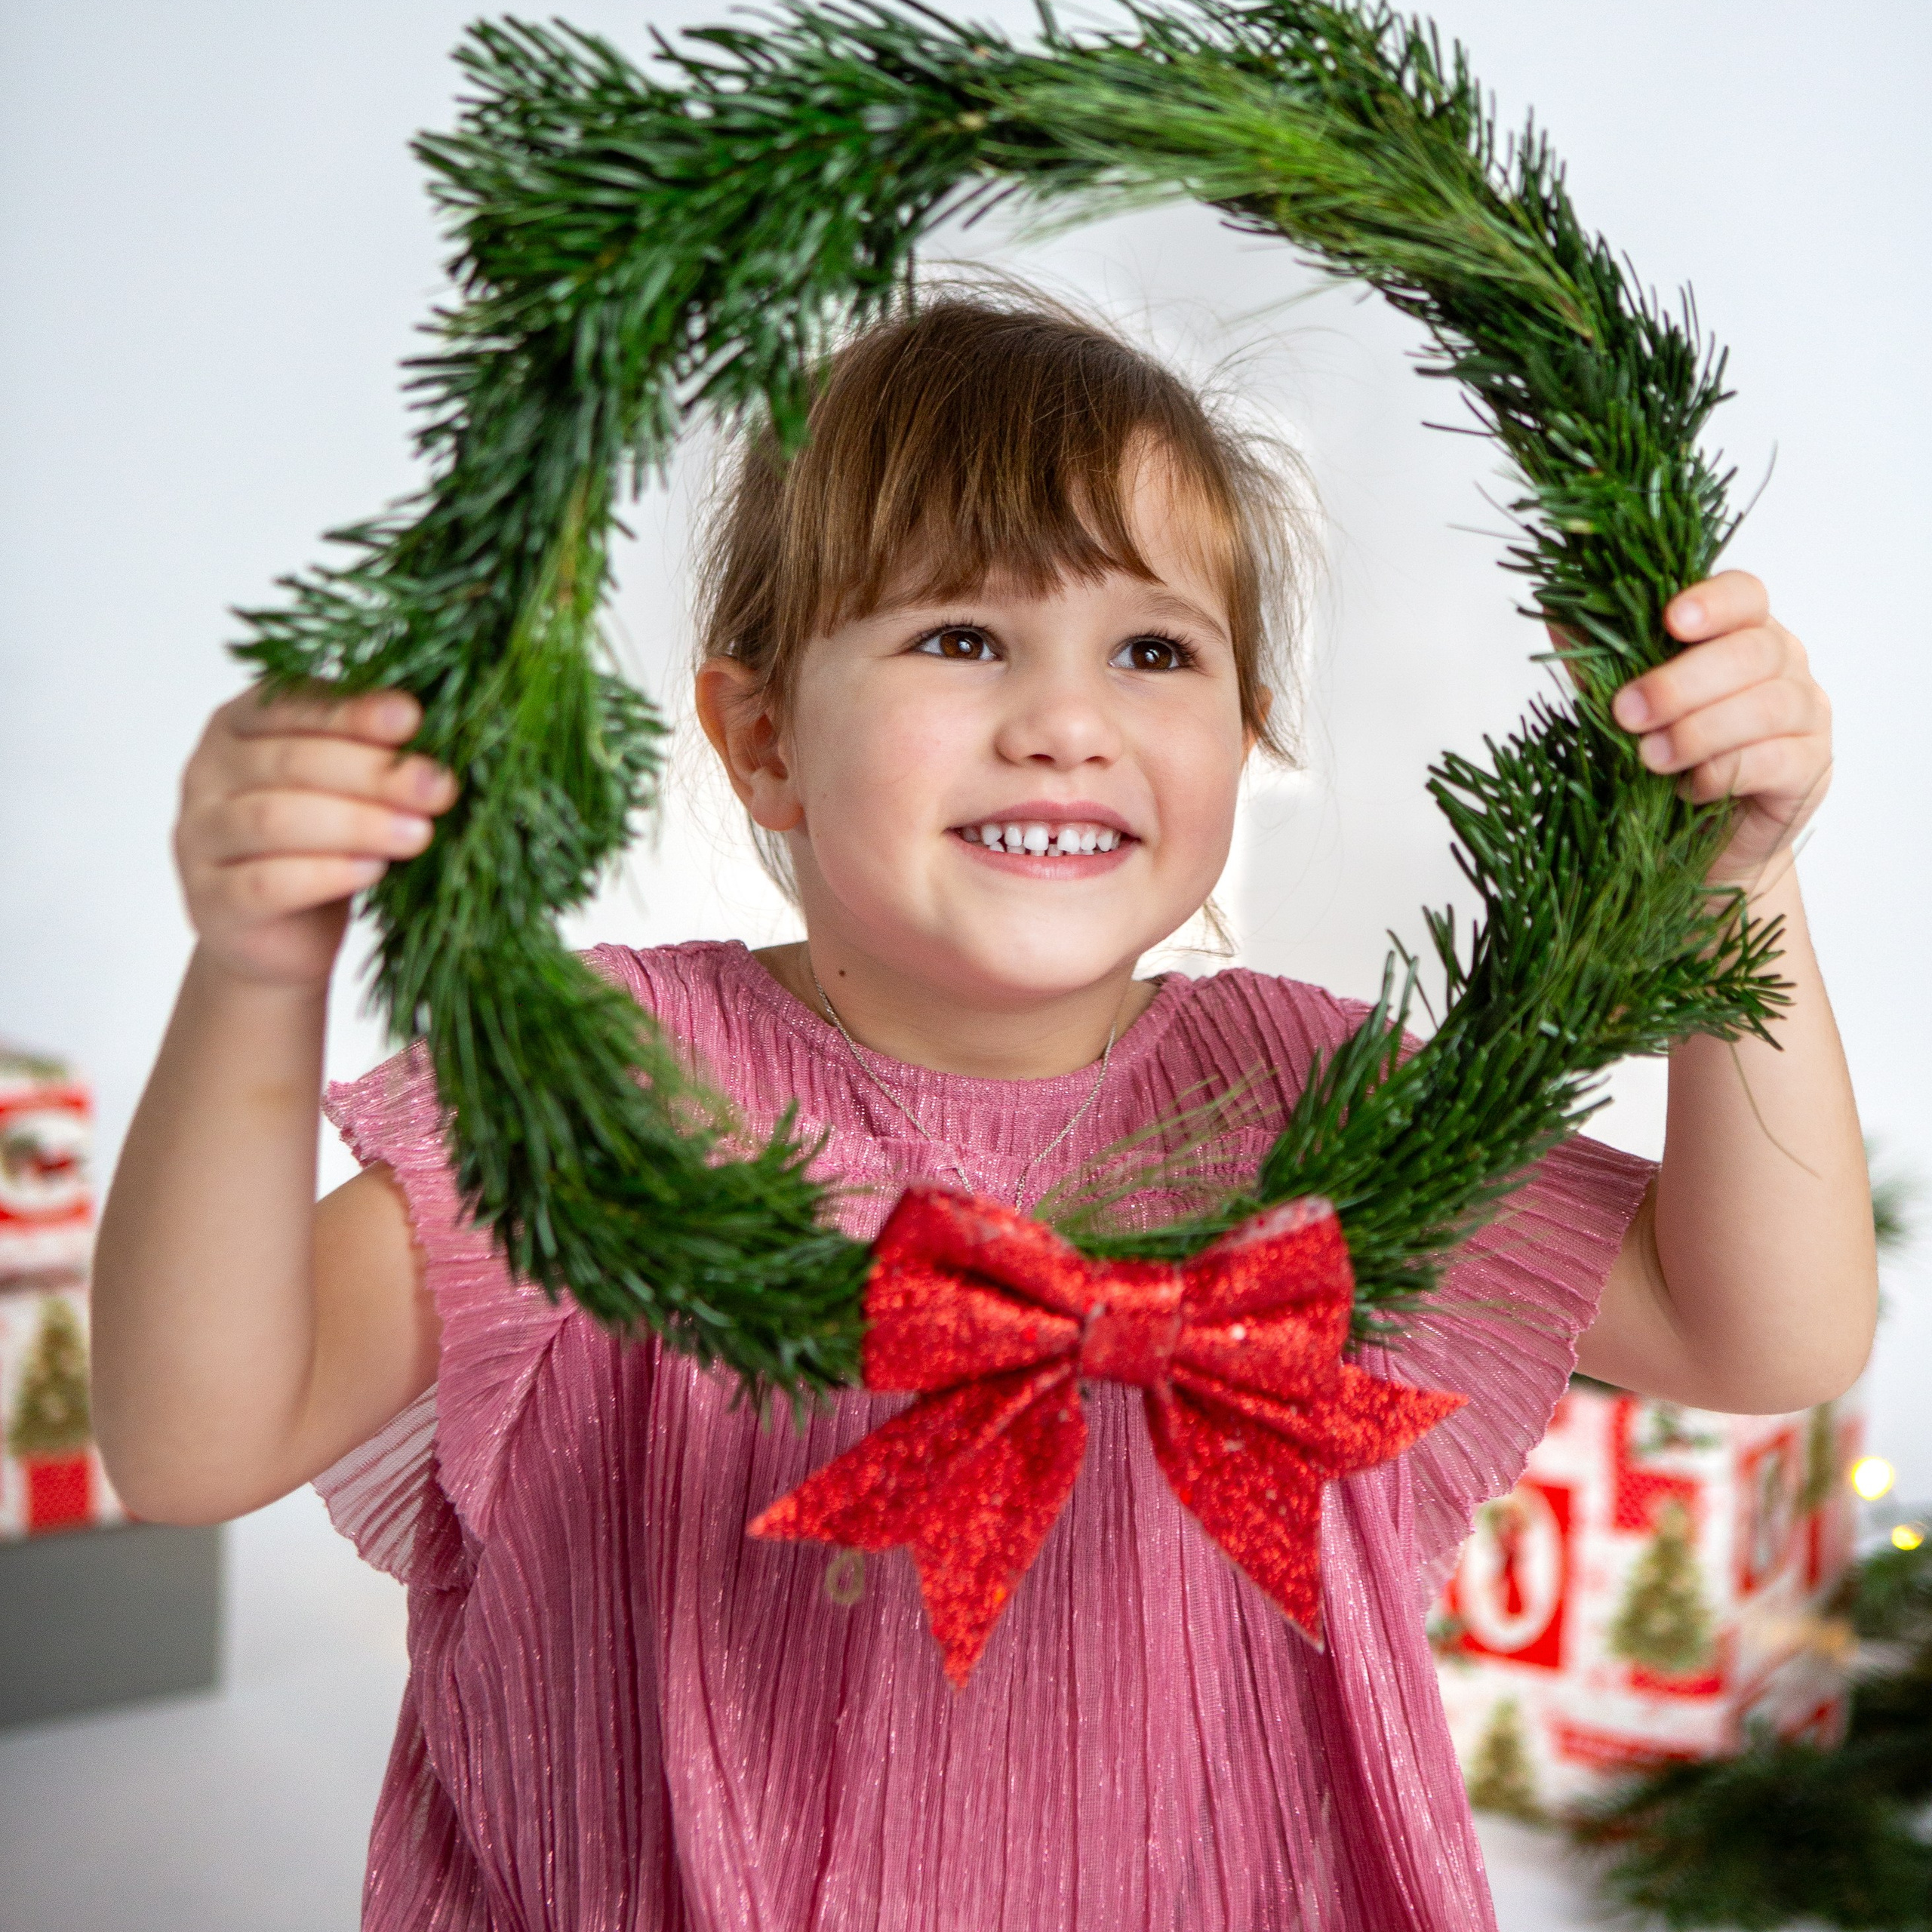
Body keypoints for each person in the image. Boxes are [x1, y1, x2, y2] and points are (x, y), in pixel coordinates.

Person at [91, 292, 1873, 1930]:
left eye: (1152, 654)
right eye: (963, 633)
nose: (1063, 724)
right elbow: (194, 1437)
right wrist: (258, 970)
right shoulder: (606, 1086)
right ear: (763, 732)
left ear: (1246, 732)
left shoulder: (1306, 1103)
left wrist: (1735, 875)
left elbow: (1758, 1324)